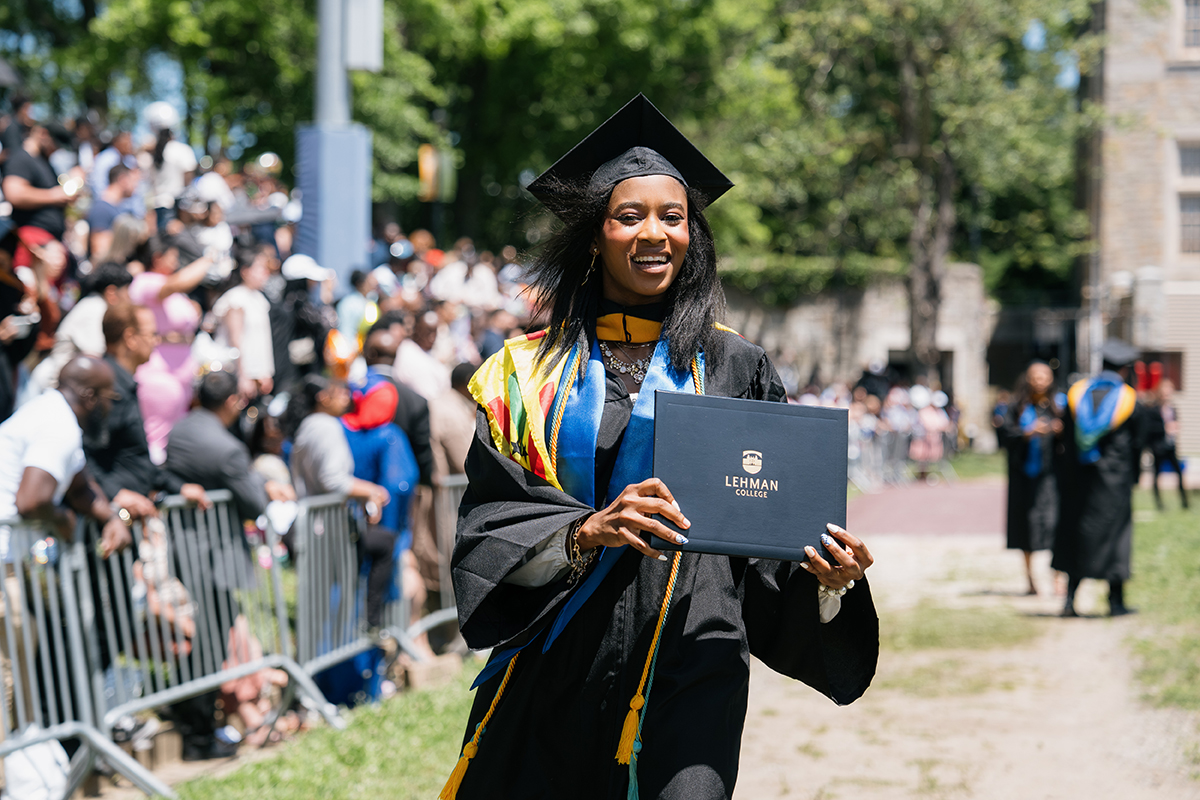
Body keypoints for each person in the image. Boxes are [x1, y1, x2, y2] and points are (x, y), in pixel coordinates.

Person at [442, 96, 878, 800]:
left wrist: (827, 583)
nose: (655, 233)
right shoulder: (525, 376)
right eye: (629, 215)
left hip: (691, 658)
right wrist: (585, 530)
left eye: (673, 217)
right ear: (595, 236)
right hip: (558, 661)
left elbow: (769, 535)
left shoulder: (737, 369)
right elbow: (492, 516)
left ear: (692, 236)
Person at [285, 375, 394, 626]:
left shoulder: (309, 426)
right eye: (340, 391)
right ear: (323, 398)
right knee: (384, 544)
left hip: (317, 527)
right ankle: (371, 625)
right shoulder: (326, 426)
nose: (347, 396)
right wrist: (372, 491)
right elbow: (333, 480)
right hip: (327, 529)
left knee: (323, 602)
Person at [0, 356, 132, 560]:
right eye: (109, 398)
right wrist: (62, 519)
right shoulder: (59, 426)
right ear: (90, 397)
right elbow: (31, 502)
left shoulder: (51, 412)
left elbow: (80, 489)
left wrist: (112, 518)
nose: (110, 407)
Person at [1053, 340, 1147, 617]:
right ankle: (1115, 602)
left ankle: (1070, 601)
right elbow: (1137, 445)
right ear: (1124, 370)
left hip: (1078, 480)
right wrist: (1135, 477)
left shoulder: (1076, 394)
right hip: (1114, 482)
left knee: (1076, 534)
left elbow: (1066, 442)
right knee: (1115, 537)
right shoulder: (1129, 400)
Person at [87, 303, 210, 514]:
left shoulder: (123, 384)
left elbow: (136, 459)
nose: (156, 341)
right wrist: (115, 493)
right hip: (112, 519)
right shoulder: (109, 390)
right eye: (152, 334)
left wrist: (178, 487)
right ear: (130, 338)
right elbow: (82, 454)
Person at [164, 370, 293, 523]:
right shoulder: (230, 450)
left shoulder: (177, 432)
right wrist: (264, 486)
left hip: (178, 535)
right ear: (231, 402)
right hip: (220, 541)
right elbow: (254, 506)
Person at [128, 235, 210, 463]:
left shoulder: (169, 288)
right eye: (173, 256)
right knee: (157, 440)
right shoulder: (145, 282)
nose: (176, 261)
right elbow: (178, 283)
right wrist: (208, 259)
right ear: (157, 257)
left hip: (181, 378)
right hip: (159, 376)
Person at [1003, 361, 1066, 595]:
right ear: (1027, 379)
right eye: (1035, 376)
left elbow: (1072, 435)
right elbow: (1005, 434)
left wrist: (1060, 430)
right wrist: (1028, 432)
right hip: (1024, 478)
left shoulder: (1059, 405)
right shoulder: (1016, 406)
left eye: (1044, 376)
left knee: (1055, 526)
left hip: (1052, 477)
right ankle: (1030, 580)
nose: (1039, 380)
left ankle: (1058, 578)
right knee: (1025, 528)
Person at [26, 261, 132, 396]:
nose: (129, 298)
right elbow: (94, 357)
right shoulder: (94, 309)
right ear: (111, 292)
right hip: (54, 385)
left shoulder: (96, 306)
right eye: (127, 291)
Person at [211, 243, 275, 399]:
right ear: (245, 271)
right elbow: (236, 339)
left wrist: (264, 372)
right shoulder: (235, 298)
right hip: (233, 375)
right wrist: (242, 375)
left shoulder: (260, 299)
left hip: (255, 376)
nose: (265, 273)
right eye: (260, 268)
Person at [2, 122, 77, 247]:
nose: (55, 150)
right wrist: (53, 196)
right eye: (55, 145)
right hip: (32, 239)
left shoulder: (46, 164)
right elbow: (14, 194)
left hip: (53, 239)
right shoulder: (21, 159)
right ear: (43, 134)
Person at [1144, 378, 1189, 511]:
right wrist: (1165, 427)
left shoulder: (1172, 408)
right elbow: (1150, 428)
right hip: (1158, 447)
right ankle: (1159, 504)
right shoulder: (1153, 409)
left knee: (1179, 473)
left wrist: (1176, 427)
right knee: (1157, 475)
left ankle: (1185, 502)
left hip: (1170, 446)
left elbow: (1175, 423)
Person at [393, 310, 450, 401]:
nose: (432, 337)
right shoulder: (408, 351)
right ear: (417, 329)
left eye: (435, 332)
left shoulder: (431, 352)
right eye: (428, 332)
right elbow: (426, 394)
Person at [88, 163, 140, 259]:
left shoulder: (114, 208)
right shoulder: (102, 209)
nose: (136, 186)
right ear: (123, 179)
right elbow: (99, 252)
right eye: (134, 181)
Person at [336, 269, 377, 344]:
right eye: (368, 282)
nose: (372, 285)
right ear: (360, 284)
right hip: (353, 348)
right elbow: (346, 329)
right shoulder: (348, 304)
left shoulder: (370, 300)